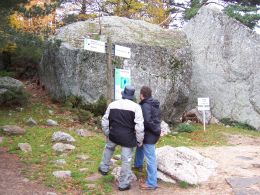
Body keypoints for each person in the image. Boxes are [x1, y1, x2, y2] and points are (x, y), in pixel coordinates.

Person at [98, 85, 144, 191]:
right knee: (126, 160)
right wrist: (139, 140)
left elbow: (105, 120)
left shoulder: (112, 104)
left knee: (109, 149)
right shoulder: (136, 107)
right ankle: (123, 184)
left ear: (123, 94)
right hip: (128, 138)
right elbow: (139, 127)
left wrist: (107, 132)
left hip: (113, 134)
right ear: (132, 96)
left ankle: (103, 168)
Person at [133, 86, 161, 190]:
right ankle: (138, 164)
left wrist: (155, 130)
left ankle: (152, 183)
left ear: (141, 95)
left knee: (150, 159)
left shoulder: (145, 105)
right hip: (152, 132)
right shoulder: (154, 104)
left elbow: (147, 121)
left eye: (140, 94)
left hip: (150, 134)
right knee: (139, 146)